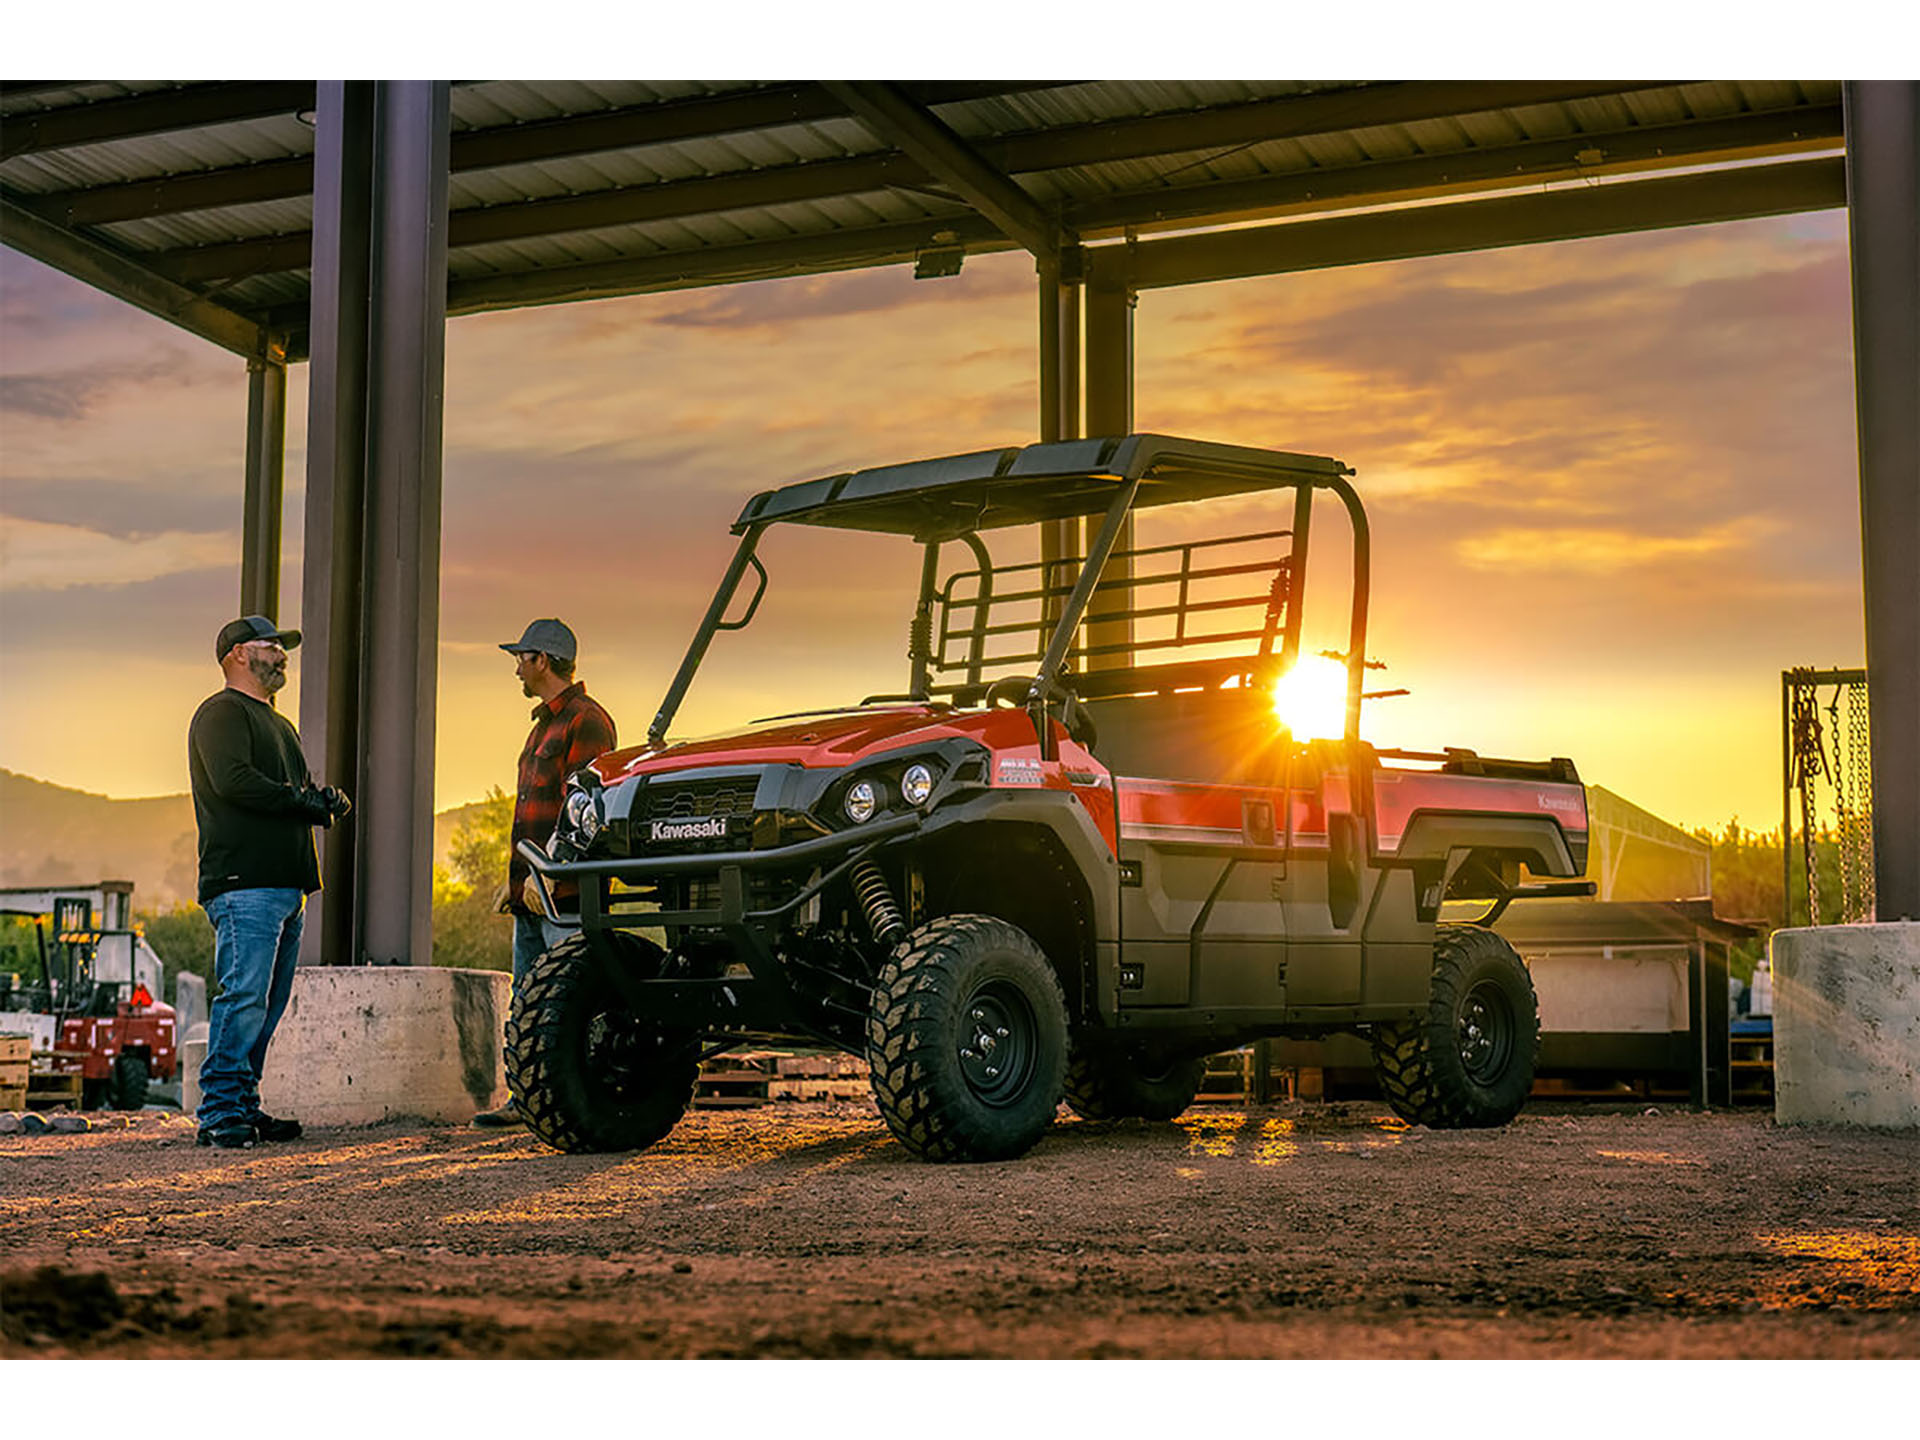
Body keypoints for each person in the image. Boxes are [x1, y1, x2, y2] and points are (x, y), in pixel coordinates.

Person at [188, 615, 351, 1149]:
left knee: (269, 1000)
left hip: (285, 884)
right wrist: (303, 801)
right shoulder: (220, 713)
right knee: (243, 996)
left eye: (284, 650)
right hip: (243, 882)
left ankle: (243, 1103)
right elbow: (234, 782)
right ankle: (218, 1112)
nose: (282, 656)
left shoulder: (279, 725)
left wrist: (322, 800)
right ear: (237, 654)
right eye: (271, 647)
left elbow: (291, 790)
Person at [473, 618, 617, 1127]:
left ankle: (586, 1098)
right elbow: (533, 812)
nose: (516, 669)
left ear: (543, 660)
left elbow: (587, 810)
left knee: (568, 1000)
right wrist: (515, 882)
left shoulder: (588, 721)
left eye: (521, 658)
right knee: (530, 999)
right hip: (533, 892)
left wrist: (552, 876)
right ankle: (528, 1099)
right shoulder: (543, 726)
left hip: (566, 893)